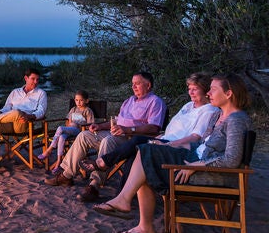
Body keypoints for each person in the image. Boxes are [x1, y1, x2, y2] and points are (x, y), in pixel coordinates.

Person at [92, 73, 253, 233]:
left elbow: (231, 160)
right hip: (193, 158)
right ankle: (136, 216)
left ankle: (131, 209)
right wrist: (167, 145)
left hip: (209, 173)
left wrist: (195, 166)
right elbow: (198, 145)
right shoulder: (217, 116)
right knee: (146, 151)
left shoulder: (236, 120)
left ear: (228, 93)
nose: (209, 93)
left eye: (213, 90)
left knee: (146, 154)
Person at [45, 71, 167, 204]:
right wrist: (100, 126)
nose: (134, 87)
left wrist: (127, 129)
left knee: (108, 140)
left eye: (137, 84)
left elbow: (154, 128)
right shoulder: (129, 101)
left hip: (132, 139)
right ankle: (66, 175)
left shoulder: (156, 102)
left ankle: (94, 185)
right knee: (84, 135)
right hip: (117, 134)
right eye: (132, 84)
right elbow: (117, 121)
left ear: (148, 85)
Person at [82, 73, 218, 178]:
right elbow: (173, 128)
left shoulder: (209, 110)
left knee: (137, 142)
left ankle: (102, 163)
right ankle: (120, 196)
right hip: (164, 138)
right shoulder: (188, 106)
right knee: (134, 151)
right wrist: (100, 126)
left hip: (175, 145)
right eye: (189, 89)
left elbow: (195, 138)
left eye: (195, 89)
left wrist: (168, 144)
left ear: (206, 91)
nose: (191, 92)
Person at [0, 67, 48, 173]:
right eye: (33, 79)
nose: (35, 82)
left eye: (37, 79)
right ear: (26, 78)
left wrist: (30, 116)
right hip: (9, 122)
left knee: (18, 112)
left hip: (24, 123)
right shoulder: (15, 92)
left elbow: (41, 111)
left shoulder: (41, 93)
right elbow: (7, 108)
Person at [37, 90, 95, 174]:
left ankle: (49, 150)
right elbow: (68, 122)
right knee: (61, 137)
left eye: (81, 100)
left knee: (60, 128)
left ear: (86, 101)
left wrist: (81, 126)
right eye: (76, 100)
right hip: (70, 130)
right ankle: (58, 163)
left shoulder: (87, 111)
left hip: (79, 131)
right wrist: (68, 129)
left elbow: (91, 124)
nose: (78, 102)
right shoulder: (73, 109)